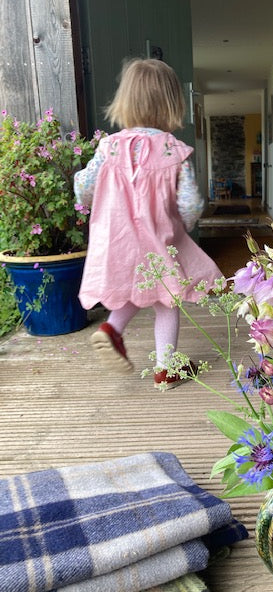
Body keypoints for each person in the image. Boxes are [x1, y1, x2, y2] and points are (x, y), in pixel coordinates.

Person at [74, 58, 222, 387]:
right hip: (159, 240)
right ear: (172, 103)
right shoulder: (172, 150)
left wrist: (90, 199)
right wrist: (180, 225)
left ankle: (111, 330)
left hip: (118, 241)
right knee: (166, 301)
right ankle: (165, 369)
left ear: (125, 100)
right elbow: (190, 203)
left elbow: (84, 189)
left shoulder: (108, 148)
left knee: (133, 291)